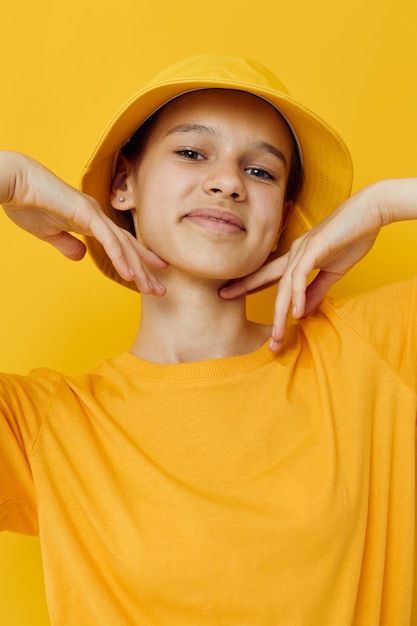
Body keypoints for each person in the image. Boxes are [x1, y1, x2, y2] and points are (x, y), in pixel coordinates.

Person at [0, 53, 416, 625]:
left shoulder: (375, 353)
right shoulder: (42, 428)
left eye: (262, 171)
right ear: (124, 183)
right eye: (193, 152)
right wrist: (9, 178)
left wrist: (388, 203)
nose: (227, 183)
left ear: (284, 221)